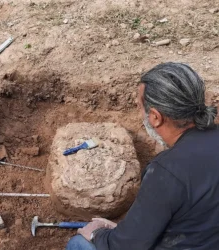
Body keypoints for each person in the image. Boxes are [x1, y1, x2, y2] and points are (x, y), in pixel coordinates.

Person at [66, 62, 219, 250]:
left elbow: (126, 247)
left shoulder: (166, 172)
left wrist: (97, 233)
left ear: (155, 116)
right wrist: (129, 229)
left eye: (139, 107)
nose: (139, 113)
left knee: (78, 244)